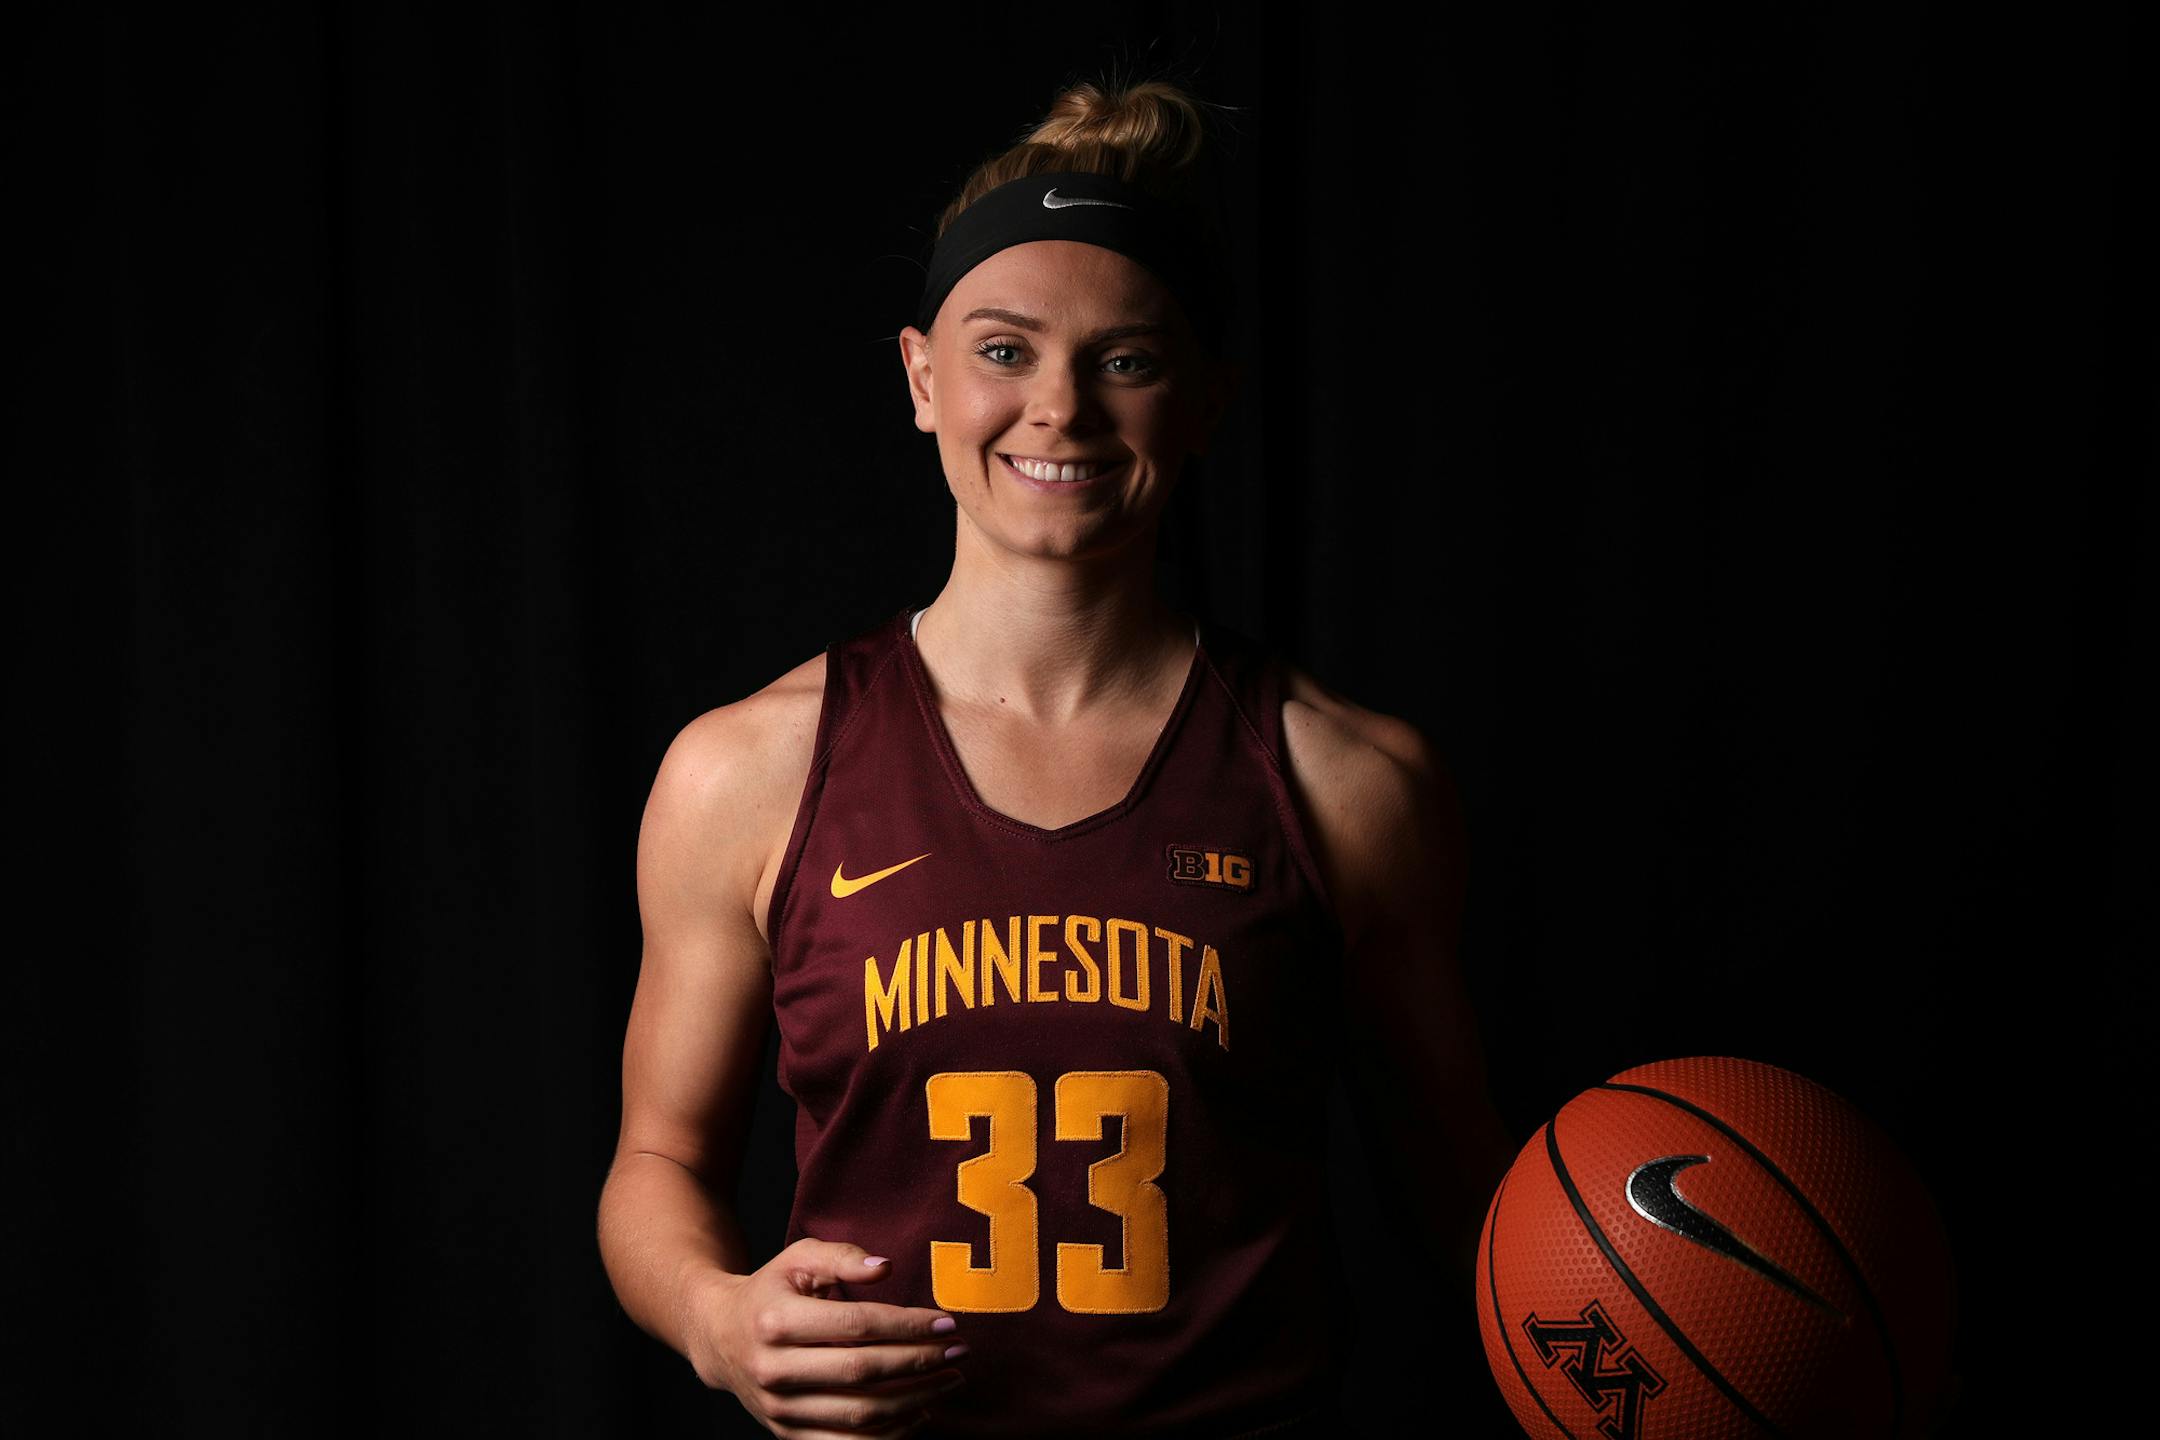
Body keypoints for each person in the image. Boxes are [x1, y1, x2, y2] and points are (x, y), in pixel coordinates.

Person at [596, 74, 1517, 1439]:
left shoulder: (1346, 783)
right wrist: (714, 1317)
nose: (1063, 410)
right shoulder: (747, 773)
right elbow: (656, 1163)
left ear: (1205, 399)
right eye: (1006, 351)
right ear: (922, 377)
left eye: (1127, 360)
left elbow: (1483, 1221)